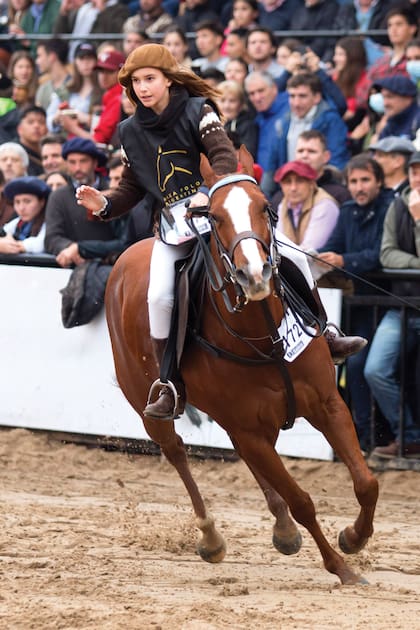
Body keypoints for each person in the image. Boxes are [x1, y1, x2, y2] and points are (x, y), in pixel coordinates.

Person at [77, 43, 366, 421]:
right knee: (161, 297)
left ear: (168, 80)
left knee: (292, 254)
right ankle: (169, 383)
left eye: (150, 79)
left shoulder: (199, 110)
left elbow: (224, 157)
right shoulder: (129, 131)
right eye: (136, 82)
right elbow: (132, 187)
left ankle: (325, 332)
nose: (143, 87)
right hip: (173, 226)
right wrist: (105, 204)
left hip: (220, 209)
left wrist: (206, 193)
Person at [316, 155, 395, 453]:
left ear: (378, 182)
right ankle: (359, 436)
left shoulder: (389, 206)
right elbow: (332, 245)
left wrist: (345, 260)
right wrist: (321, 255)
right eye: (353, 181)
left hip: (384, 302)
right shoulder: (348, 211)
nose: (359, 187)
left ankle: (369, 437)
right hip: (353, 301)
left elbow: (380, 254)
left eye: (365, 180)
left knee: (362, 366)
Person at [364, 151, 420, 458]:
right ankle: (410, 437)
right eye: (413, 172)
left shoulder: (409, 208)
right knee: (375, 369)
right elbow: (387, 255)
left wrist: (419, 220)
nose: (417, 179)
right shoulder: (398, 205)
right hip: (400, 305)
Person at [261, 72, 350, 198]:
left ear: (317, 97)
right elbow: (272, 164)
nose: (296, 103)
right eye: (292, 96)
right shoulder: (284, 121)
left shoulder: (331, 121)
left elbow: (337, 160)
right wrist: (265, 196)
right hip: (290, 189)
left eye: (302, 96)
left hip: (321, 191)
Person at [45, 137, 129, 267]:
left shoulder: (112, 189)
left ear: (95, 163)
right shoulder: (58, 196)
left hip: (111, 266)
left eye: (83, 161)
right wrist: (73, 249)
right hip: (71, 266)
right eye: (72, 162)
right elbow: (52, 237)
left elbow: (125, 238)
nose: (78, 167)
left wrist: (83, 249)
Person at [272, 160, 339, 252]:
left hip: (318, 265)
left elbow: (310, 250)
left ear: (311, 183)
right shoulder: (283, 205)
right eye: (287, 182)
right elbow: (279, 245)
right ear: (281, 186)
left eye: (299, 181)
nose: (293, 188)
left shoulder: (325, 205)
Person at [294, 129, 351, 205]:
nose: (304, 156)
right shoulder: (284, 194)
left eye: (311, 151)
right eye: (300, 151)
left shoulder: (340, 195)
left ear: (326, 157)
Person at [0, 175, 50, 254]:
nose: (21, 208)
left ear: (42, 202)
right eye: (17, 202)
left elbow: (40, 245)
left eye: (27, 201)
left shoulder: (50, 221)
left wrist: (11, 245)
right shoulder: (18, 222)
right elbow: (4, 232)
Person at [371, 75, 420, 142]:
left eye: (390, 97)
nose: (385, 103)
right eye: (383, 97)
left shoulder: (417, 120)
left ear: (408, 98)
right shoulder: (392, 121)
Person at [217, 79, 258, 158]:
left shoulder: (247, 126)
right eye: (222, 100)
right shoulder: (213, 123)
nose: (226, 106)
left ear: (241, 104)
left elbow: (248, 157)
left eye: (232, 101)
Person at [16, 105, 48, 176]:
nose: (36, 126)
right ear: (19, 129)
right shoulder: (14, 154)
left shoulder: (49, 152)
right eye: (30, 122)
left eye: (41, 122)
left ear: (47, 129)